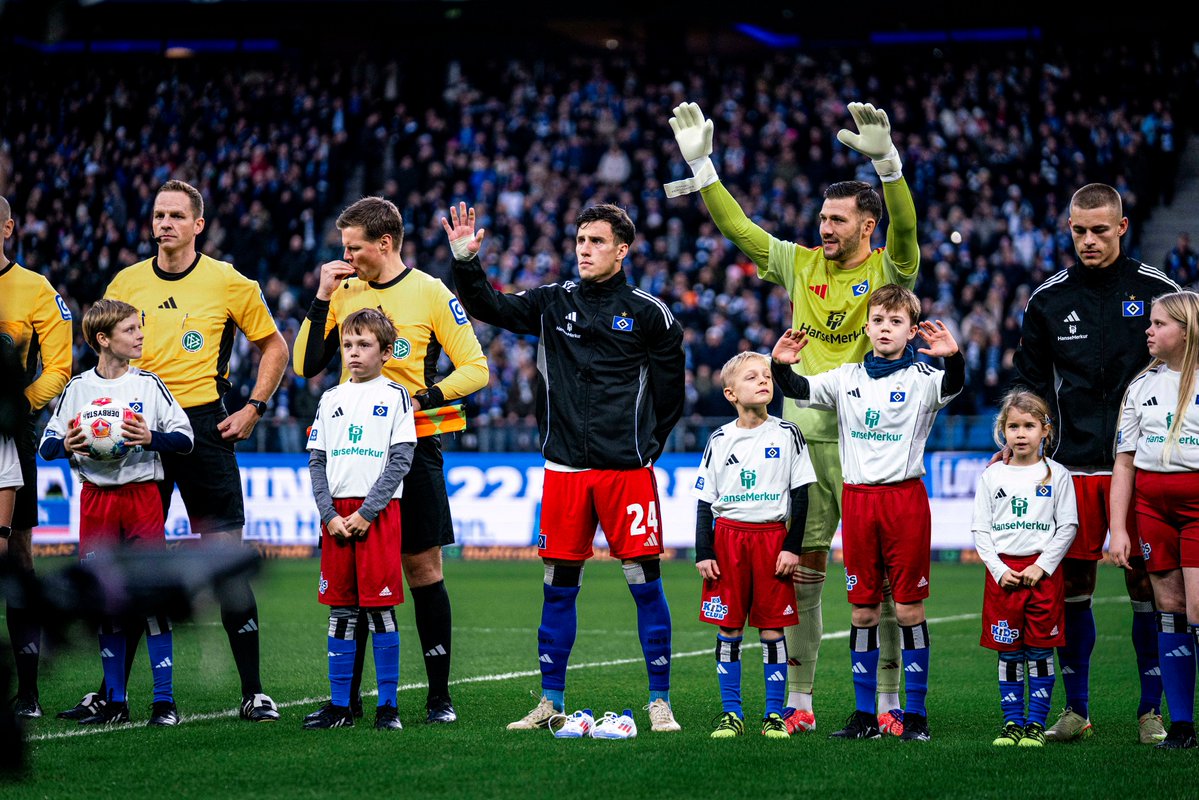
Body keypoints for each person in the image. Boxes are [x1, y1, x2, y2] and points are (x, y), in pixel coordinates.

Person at [667, 100, 920, 735]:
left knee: (884, 587)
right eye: (822, 218)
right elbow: (742, 231)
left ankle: (888, 702)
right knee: (801, 577)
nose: (824, 228)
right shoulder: (800, 263)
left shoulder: (890, 269)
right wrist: (704, 168)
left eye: (837, 220)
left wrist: (888, 166)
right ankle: (800, 700)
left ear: (868, 225)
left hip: (871, 448)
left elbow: (911, 233)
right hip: (802, 445)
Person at [442, 201, 686, 733]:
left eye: (596, 241)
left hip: (626, 474)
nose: (584, 248)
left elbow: (671, 398)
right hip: (563, 473)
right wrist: (465, 260)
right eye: (580, 240)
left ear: (622, 250)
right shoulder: (554, 302)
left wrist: (647, 447)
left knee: (645, 583)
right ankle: (549, 700)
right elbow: (489, 306)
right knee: (558, 586)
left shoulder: (651, 314)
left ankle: (660, 701)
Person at [60, 179, 289, 723]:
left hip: (205, 427)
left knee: (226, 557)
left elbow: (274, 345)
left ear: (197, 225)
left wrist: (255, 406)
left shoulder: (229, 281)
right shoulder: (127, 281)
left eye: (175, 216)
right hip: (137, 429)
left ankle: (253, 692)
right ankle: (111, 694)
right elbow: (103, 352)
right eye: (158, 215)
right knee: (131, 569)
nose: (164, 224)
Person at [294, 196, 488, 724]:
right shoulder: (343, 292)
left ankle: (438, 698)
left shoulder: (429, 291)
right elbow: (306, 364)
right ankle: (346, 702)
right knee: (353, 575)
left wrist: (425, 396)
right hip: (351, 451)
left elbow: (476, 368)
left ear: (384, 243)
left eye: (353, 248)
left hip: (413, 447)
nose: (346, 256)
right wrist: (320, 297)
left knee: (423, 570)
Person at [1011, 182, 1180, 743]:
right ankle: (1077, 709)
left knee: (1150, 587)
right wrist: (1021, 445)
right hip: (1074, 468)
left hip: (1147, 468)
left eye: (1100, 230)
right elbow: (1031, 386)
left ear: (1123, 227)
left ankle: (1151, 710)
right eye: (1079, 230)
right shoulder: (1047, 301)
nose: (1088, 240)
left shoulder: (1158, 293)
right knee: (1072, 585)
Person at [770, 284, 963, 742]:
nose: (885, 329)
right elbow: (801, 388)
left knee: (909, 607)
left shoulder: (922, 379)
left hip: (904, 499)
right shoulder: (846, 376)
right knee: (862, 612)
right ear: (867, 327)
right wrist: (780, 365)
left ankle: (913, 715)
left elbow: (952, 386)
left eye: (896, 322)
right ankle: (863, 715)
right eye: (878, 321)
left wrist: (952, 357)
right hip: (858, 502)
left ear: (911, 331)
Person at [39, 299, 194, 726]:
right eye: (130, 330)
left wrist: (150, 437)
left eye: (139, 327)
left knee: (152, 598)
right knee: (106, 602)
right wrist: (65, 446)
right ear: (103, 340)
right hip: (96, 500)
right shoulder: (78, 389)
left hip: (143, 497)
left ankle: (164, 703)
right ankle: (116, 702)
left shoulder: (149, 385)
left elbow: (185, 439)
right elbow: (47, 444)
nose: (140, 335)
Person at [304, 308, 417, 731]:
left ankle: (388, 707)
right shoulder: (330, 398)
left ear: (386, 352)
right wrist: (329, 514)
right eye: (348, 345)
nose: (353, 352)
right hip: (335, 518)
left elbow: (402, 459)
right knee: (340, 611)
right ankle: (340, 707)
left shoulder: (396, 396)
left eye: (364, 344)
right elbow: (317, 462)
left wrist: (367, 513)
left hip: (379, 516)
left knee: (381, 609)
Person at [693, 351, 816, 739]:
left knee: (771, 629)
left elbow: (801, 494)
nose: (764, 380)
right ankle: (732, 713)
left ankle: (773, 714)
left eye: (767, 375)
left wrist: (792, 547)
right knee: (728, 629)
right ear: (731, 393)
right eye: (752, 377)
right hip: (727, 539)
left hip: (771, 540)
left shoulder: (787, 433)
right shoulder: (719, 439)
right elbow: (704, 500)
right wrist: (704, 550)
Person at [1109, 290, 1199, 749]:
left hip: (1197, 509)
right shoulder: (1140, 385)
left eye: (1160, 323)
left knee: (1198, 610)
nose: (1149, 329)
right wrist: (1119, 528)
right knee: (1171, 612)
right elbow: (1123, 463)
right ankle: (1181, 725)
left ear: (1186, 331)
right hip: (1152, 510)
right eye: (1150, 322)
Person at [0, 195, 74, 719]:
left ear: (7, 228)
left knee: (15, 557)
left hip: (9, 435)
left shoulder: (35, 289)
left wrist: (16, 406)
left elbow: (60, 366)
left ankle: (27, 692)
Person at [972, 390, 1078, 747]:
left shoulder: (1057, 475)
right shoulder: (992, 476)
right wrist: (999, 569)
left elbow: (1068, 526)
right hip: (1004, 577)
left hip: (1042, 577)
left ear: (1045, 430)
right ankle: (1012, 723)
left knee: (1039, 651)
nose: (1020, 433)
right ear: (1002, 430)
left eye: (1029, 426)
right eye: (1013, 426)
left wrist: (1043, 566)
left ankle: (1035, 723)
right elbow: (980, 529)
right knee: (1010, 652)